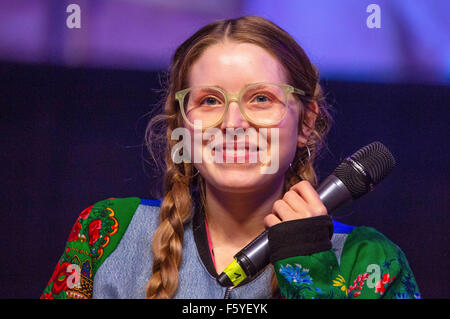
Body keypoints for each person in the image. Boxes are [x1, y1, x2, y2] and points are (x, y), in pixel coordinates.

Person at [41, 15, 420, 299]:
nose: (233, 123)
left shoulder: (369, 260)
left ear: (306, 122)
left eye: (261, 99)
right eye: (209, 101)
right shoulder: (107, 233)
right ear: (182, 126)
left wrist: (308, 265)